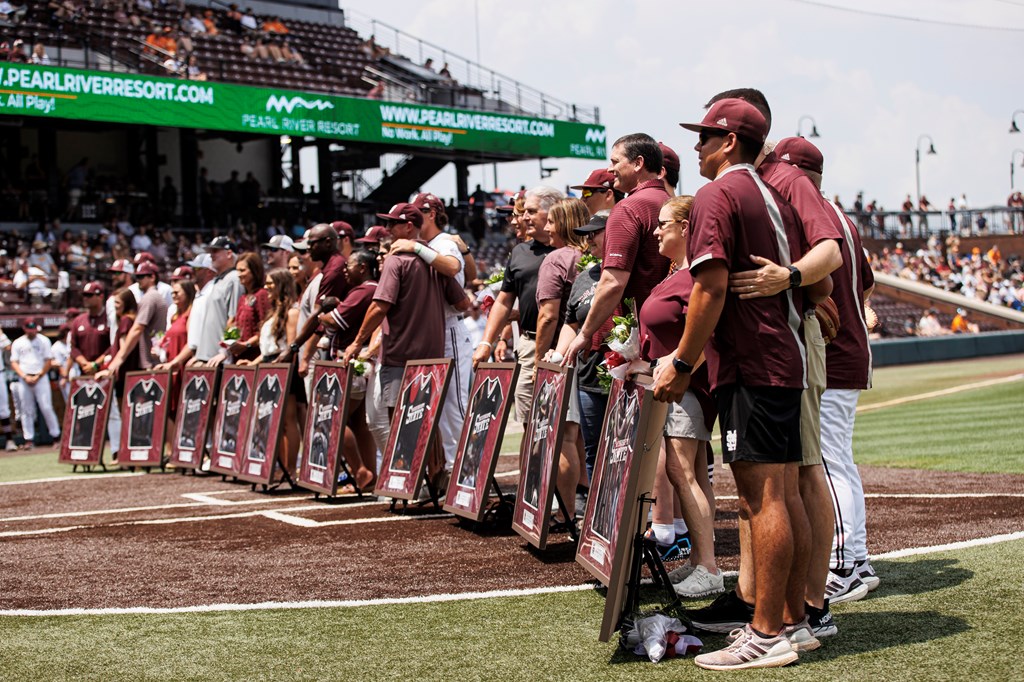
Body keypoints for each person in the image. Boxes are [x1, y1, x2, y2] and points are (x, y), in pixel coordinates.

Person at [658, 98, 827, 669]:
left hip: (753, 363)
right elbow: (819, 288)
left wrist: (681, 363)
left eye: (706, 135)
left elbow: (708, 288)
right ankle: (796, 622)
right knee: (784, 494)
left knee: (764, 502)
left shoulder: (717, 194)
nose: (697, 146)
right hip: (782, 356)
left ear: (730, 141)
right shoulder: (773, 194)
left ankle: (766, 633)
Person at [714, 91, 843, 636]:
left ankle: (807, 608)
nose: (703, 143)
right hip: (781, 338)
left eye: (709, 129)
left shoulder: (784, 177)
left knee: (797, 476)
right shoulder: (757, 183)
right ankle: (762, 598)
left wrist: (792, 279)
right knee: (776, 485)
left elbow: (830, 253)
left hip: (779, 342)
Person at [771, 136, 881, 607]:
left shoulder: (809, 214)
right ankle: (855, 557)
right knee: (837, 459)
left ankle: (845, 565)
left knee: (829, 462)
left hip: (834, 354)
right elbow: (868, 286)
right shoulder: (843, 218)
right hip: (848, 349)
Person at [341, 203, 472, 488]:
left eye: (392, 224)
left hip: (400, 355)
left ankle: (408, 483)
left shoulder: (397, 259)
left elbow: (379, 306)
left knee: (400, 421)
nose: (388, 230)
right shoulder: (432, 259)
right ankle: (435, 482)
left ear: (409, 226)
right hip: (434, 355)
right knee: (430, 420)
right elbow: (463, 303)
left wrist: (357, 342)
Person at [640, 195, 721, 598]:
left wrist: (678, 362)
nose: (656, 230)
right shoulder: (683, 272)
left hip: (687, 387)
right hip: (679, 385)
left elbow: (710, 329)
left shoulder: (697, 276)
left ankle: (707, 566)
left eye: (663, 224)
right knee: (693, 474)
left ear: (687, 227)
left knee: (682, 472)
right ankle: (701, 563)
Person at [562, 133, 670, 368]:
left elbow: (612, 282)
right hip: (669, 336)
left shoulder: (628, 207)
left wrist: (584, 334)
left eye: (615, 162)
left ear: (638, 163)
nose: (610, 170)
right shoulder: (671, 202)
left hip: (637, 345)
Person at [472, 186, 561, 425]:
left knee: (566, 429)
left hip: (565, 345)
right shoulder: (520, 251)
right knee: (528, 421)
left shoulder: (571, 247)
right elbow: (503, 300)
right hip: (530, 343)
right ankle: (530, 465)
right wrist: (486, 342)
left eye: (530, 211)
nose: (522, 218)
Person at [535, 198, 589, 518]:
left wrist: (540, 361)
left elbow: (548, 316)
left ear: (566, 224)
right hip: (594, 355)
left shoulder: (556, 258)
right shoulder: (592, 256)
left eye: (552, 222)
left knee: (566, 435)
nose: (546, 228)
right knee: (585, 437)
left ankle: (566, 513)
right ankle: (583, 505)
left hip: (564, 356)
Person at [189, 236, 244, 366]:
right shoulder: (219, 280)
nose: (211, 255)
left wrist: (226, 352)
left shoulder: (234, 279)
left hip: (220, 359)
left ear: (229, 253)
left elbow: (235, 319)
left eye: (216, 251)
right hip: (208, 357)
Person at [10, 320, 60, 449]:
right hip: (24, 377)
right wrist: (24, 376)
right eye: (28, 328)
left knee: (46, 407)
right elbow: (14, 362)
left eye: (33, 328)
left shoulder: (43, 340)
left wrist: (39, 375)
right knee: (26, 409)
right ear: (24, 328)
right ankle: (29, 439)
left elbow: (48, 360)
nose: (31, 330)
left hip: (40, 377)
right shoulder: (18, 342)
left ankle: (56, 437)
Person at [227, 252, 270, 362]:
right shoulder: (243, 298)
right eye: (237, 270)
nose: (239, 274)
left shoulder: (262, 295)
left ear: (254, 271)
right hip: (239, 357)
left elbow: (265, 329)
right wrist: (230, 335)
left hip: (254, 358)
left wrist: (247, 345)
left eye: (242, 270)